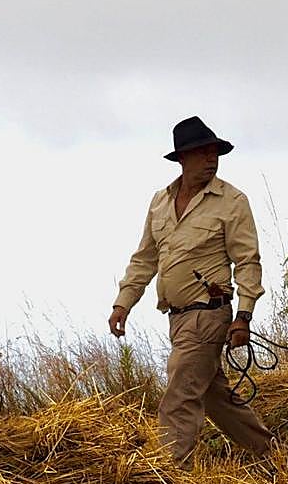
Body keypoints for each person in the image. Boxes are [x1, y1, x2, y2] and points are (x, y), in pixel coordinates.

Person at [109, 116, 274, 464]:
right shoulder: (160, 201)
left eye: (215, 153)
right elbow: (144, 259)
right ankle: (268, 453)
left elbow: (247, 261)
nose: (211, 159)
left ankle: (168, 479)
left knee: (179, 398)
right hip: (177, 318)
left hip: (208, 315)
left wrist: (243, 316)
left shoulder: (232, 201)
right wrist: (123, 303)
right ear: (182, 158)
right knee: (215, 398)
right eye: (202, 153)